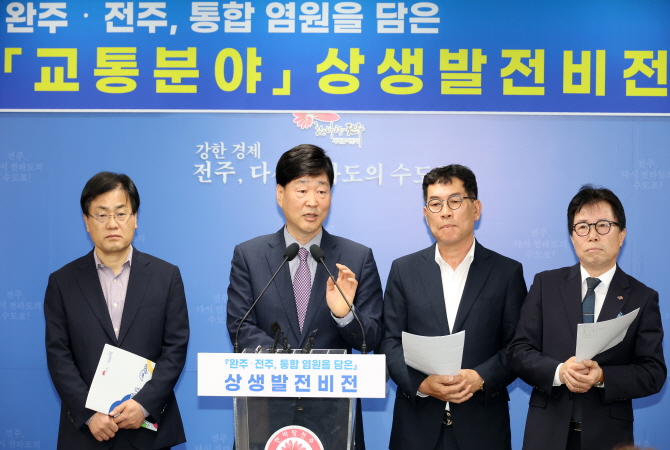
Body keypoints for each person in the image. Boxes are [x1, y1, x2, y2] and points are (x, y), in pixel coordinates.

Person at [226, 143, 383, 449]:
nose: (313, 201)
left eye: (322, 191)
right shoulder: (249, 255)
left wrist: (344, 315)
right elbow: (240, 327)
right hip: (265, 412)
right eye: (302, 190)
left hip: (334, 418)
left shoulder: (356, 257)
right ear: (280, 194)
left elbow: (373, 337)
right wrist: (292, 366)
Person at [507, 185, 666, 450]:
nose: (592, 235)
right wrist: (560, 371)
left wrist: (602, 376)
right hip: (546, 434)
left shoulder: (642, 297)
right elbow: (518, 352)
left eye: (603, 225)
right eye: (582, 227)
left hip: (609, 437)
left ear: (622, 235)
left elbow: (653, 373)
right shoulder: (546, 285)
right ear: (572, 237)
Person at [380, 164, 527, 450]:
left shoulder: (506, 272)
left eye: (455, 201)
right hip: (416, 430)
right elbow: (389, 342)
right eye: (435, 204)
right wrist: (421, 383)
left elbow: (517, 346)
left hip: (483, 430)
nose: (445, 212)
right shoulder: (404, 270)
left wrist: (481, 377)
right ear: (426, 215)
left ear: (476, 209)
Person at [44, 172, 190, 450]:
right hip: (87, 434)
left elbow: (175, 348)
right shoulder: (62, 282)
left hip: (149, 434)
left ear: (135, 218)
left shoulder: (166, 276)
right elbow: (58, 355)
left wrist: (144, 404)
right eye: (101, 215)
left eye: (121, 213)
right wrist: (88, 413)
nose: (112, 223)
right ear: (87, 221)